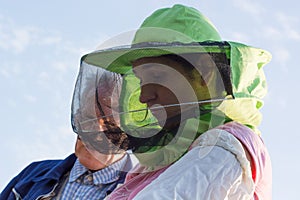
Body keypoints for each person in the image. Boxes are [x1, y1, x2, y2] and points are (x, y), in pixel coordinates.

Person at [79, 4, 272, 199]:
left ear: (204, 73)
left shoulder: (224, 146)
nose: (143, 96)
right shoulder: (163, 160)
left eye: (157, 76)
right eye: (141, 80)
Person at [0, 69, 133, 200]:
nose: (95, 132)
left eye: (109, 124)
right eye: (89, 118)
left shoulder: (142, 191)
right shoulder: (33, 174)